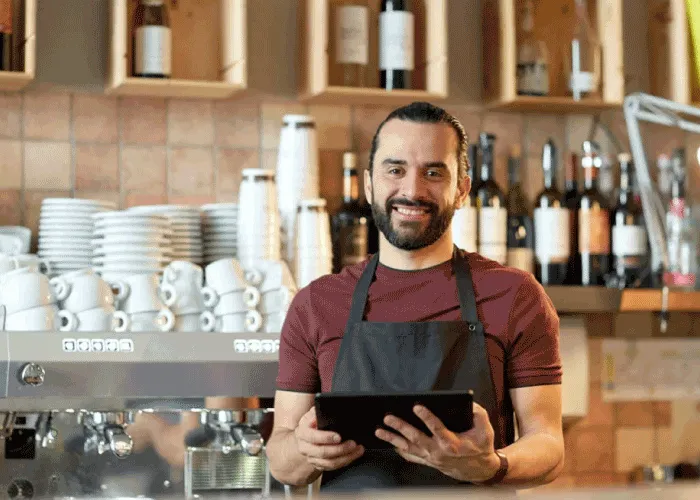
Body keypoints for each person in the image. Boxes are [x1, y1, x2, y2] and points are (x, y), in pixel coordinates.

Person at [266, 102, 564, 492]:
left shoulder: (515, 296)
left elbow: (548, 444)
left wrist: (491, 464)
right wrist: (305, 450)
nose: (412, 190)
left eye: (434, 173)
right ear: (369, 184)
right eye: (395, 170)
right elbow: (281, 456)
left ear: (461, 190)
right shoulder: (316, 304)